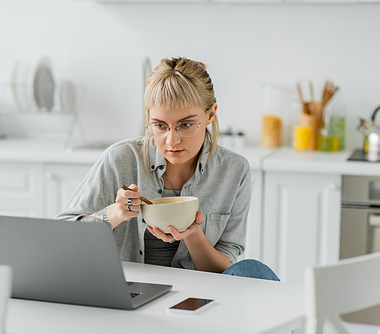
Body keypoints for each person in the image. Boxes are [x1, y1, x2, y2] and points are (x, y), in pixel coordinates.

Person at [56, 57, 278, 281]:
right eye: (160, 126)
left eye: (186, 124)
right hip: (129, 289)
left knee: (251, 270)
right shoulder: (121, 159)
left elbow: (226, 269)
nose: (172, 141)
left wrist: (193, 235)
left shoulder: (234, 170)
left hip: (199, 292)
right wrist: (116, 213)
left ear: (210, 114)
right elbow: (63, 238)